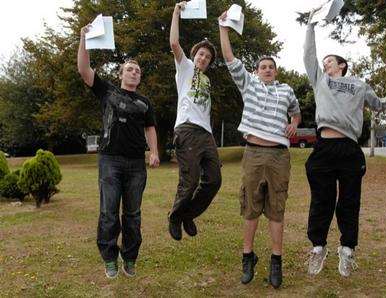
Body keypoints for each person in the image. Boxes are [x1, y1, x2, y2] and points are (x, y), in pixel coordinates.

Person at [303, 10, 386, 277]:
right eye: (325, 61)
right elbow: (309, 56)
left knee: (349, 202)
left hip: (349, 149)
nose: (326, 64)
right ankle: (318, 248)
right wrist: (310, 26)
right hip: (324, 148)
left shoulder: (359, 85)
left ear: (342, 65)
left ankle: (347, 250)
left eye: (330, 61)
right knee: (322, 200)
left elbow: (381, 104)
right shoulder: (321, 81)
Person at [219, 12, 301, 289]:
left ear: (276, 71)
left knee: (277, 209)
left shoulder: (287, 90)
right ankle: (248, 256)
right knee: (251, 209)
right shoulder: (249, 85)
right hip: (253, 153)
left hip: (279, 155)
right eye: (262, 66)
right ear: (256, 71)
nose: (266, 69)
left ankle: (276, 262)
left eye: (270, 66)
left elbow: (296, 114)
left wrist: (293, 123)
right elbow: (230, 58)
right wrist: (223, 28)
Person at [77, 23, 160, 279]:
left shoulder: (145, 103)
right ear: (121, 74)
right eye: (130, 69)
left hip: (136, 164)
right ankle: (109, 258)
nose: (134, 73)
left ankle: (130, 258)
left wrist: (154, 151)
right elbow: (83, 69)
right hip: (110, 161)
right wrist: (83, 38)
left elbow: (150, 129)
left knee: (133, 215)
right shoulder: (107, 91)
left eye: (137, 71)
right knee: (109, 212)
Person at [168, 1, 222, 241]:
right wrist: (176, 14)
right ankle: (175, 216)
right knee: (189, 181)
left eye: (208, 57)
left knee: (214, 180)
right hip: (187, 130)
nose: (204, 58)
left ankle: (188, 213)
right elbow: (174, 43)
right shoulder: (185, 68)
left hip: (206, 134)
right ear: (194, 55)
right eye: (201, 54)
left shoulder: (208, 80)